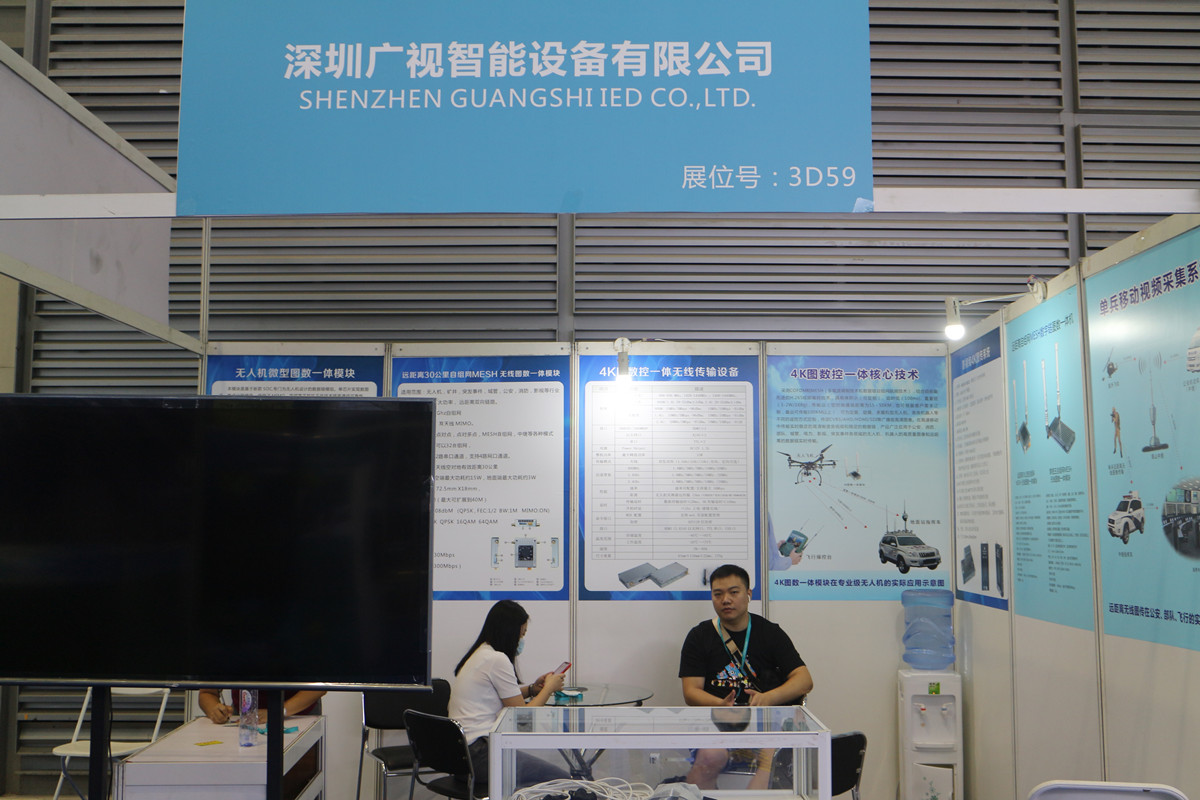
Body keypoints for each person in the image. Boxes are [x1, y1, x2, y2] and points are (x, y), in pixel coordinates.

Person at [679, 564, 813, 789]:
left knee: (768, 758)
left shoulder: (770, 633)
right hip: (717, 725)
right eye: (718, 594)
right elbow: (691, 692)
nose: (726, 600)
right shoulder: (699, 636)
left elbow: (804, 680)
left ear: (748, 594)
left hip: (765, 725)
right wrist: (720, 704)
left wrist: (768, 698)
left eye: (734, 592)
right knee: (709, 756)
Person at [448, 599, 566, 788]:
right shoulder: (497, 659)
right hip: (480, 756)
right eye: (522, 634)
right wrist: (548, 689)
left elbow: (499, 697)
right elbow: (521, 716)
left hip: (461, 757)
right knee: (561, 780)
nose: (521, 640)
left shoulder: (481, 653)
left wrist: (532, 689)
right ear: (510, 632)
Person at [198, 688, 325, 724]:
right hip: (243, 720)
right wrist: (214, 710)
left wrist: (277, 712)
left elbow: (319, 686)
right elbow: (207, 693)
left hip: (297, 716)